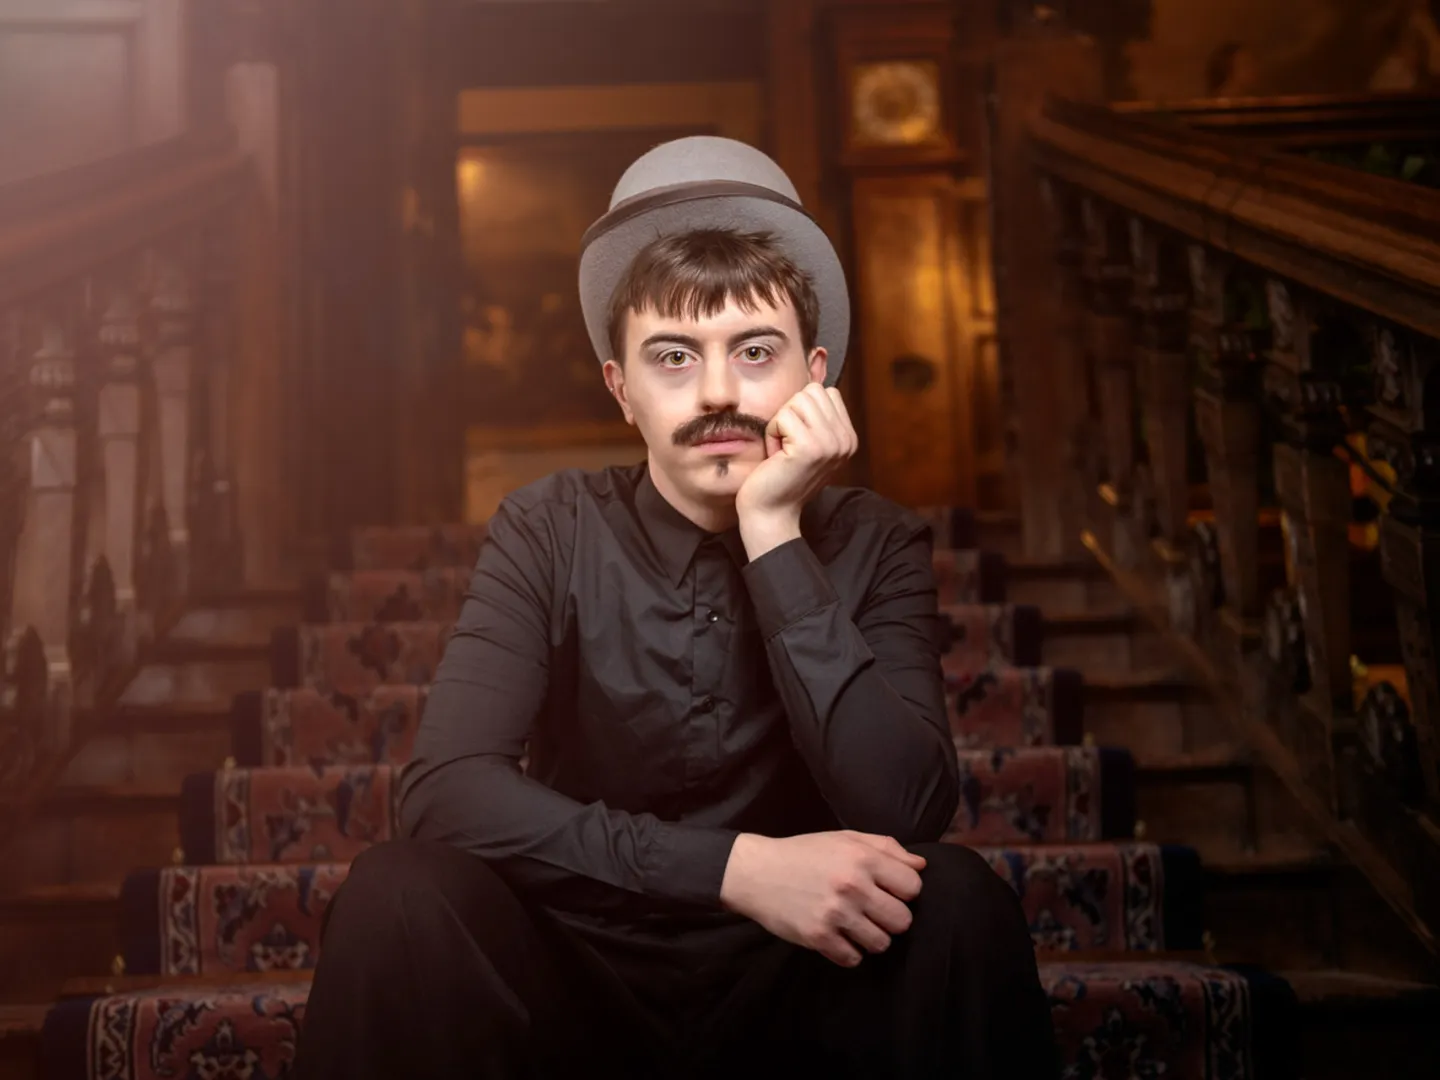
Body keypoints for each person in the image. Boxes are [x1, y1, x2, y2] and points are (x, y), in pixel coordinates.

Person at [293, 136, 1058, 1079]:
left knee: (956, 902)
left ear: (813, 376)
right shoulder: (549, 527)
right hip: (573, 972)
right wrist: (738, 869)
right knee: (396, 894)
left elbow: (907, 805)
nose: (718, 393)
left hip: (803, 979)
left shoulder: (876, 541)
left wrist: (772, 530)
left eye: (755, 351)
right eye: (672, 356)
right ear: (621, 388)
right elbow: (446, 791)